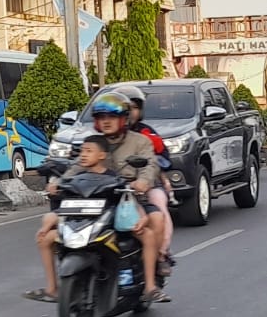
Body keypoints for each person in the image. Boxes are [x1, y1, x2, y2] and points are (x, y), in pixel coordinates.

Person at [27, 92, 167, 304]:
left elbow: (150, 165)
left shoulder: (141, 142)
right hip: (93, 201)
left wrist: (142, 182)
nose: (106, 121)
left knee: (154, 221)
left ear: (124, 119)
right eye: (101, 117)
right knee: (46, 235)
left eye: (111, 117)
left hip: (127, 199)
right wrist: (58, 183)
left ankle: (151, 283)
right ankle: (52, 288)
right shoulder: (93, 143)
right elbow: (76, 167)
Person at [25, 134, 116, 302]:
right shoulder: (75, 179)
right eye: (82, 151)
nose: (84, 155)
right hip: (77, 223)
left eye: (89, 151)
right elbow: (62, 206)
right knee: (44, 237)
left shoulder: (113, 178)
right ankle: (52, 288)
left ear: (102, 155)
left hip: (100, 226)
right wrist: (55, 189)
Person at [122, 88, 177, 270]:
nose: (130, 112)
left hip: (146, 185)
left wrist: (147, 180)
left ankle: (162, 253)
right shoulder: (104, 137)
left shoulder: (146, 134)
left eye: (134, 107)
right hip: (115, 186)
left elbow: (162, 158)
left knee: (158, 202)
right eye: (126, 108)